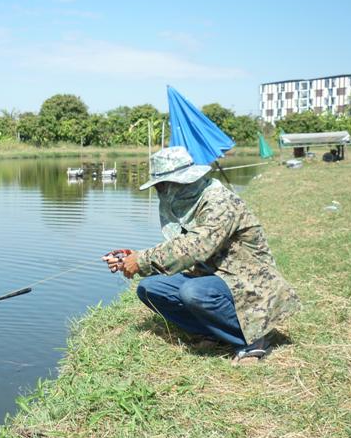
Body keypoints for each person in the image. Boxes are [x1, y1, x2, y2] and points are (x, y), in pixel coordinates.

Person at [103, 147, 300, 359]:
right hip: (215, 275)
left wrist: (142, 260)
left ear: (180, 182)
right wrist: (132, 256)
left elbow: (196, 247)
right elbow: (182, 246)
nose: (160, 190)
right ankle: (213, 332)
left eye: (162, 185)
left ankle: (253, 340)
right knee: (150, 289)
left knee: (194, 292)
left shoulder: (219, 202)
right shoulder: (190, 202)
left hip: (248, 280)